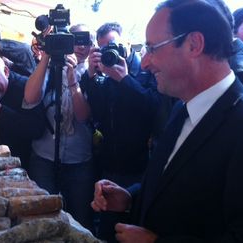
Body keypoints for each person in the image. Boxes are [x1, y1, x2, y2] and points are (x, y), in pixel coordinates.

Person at [92, 1, 243, 242]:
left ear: (194, 44)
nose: (145, 62)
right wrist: (129, 199)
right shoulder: (182, 106)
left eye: (153, 48)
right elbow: (170, 183)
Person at [81, 22, 159, 241]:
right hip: (109, 164)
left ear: (125, 43)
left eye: (113, 45)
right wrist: (91, 75)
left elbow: (152, 109)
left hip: (138, 165)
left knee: (134, 227)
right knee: (107, 229)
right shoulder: (103, 71)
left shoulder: (145, 69)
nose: (110, 52)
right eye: (104, 48)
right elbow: (96, 112)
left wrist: (124, 79)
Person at [23, 23, 95, 232]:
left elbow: (83, 117)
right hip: (44, 157)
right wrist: (48, 54)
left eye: (86, 41)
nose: (81, 46)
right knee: (43, 219)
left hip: (79, 160)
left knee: (80, 221)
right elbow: (30, 98)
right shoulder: (50, 69)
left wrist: (73, 82)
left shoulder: (93, 73)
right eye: (76, 40)